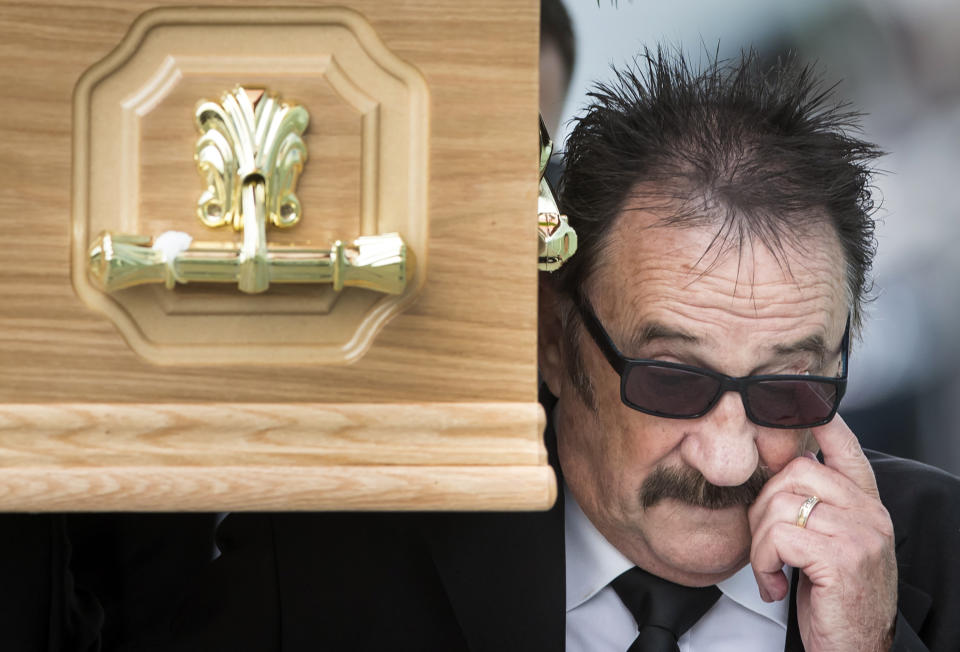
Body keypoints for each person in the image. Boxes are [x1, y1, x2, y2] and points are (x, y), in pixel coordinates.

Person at [162, 49, 960, 652]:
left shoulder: (942, 554)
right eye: (673, 378)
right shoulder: (329, 567)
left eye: (789, 389)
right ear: (553, 336)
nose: (727, 461)